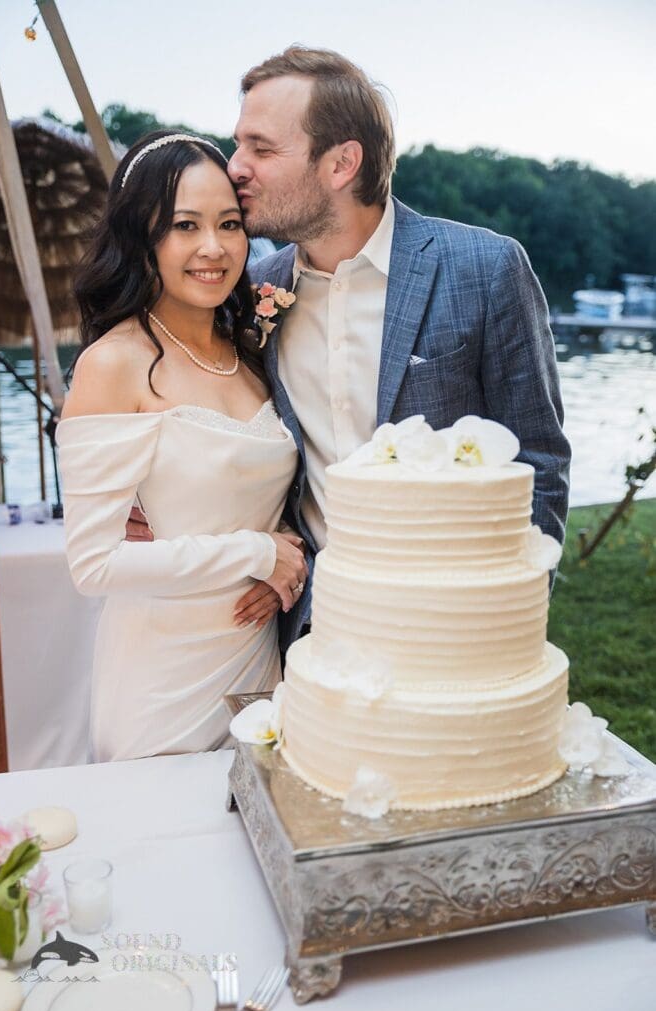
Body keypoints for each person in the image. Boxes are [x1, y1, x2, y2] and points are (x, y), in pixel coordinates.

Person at [225, 45, 572, 650]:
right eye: (239, 145)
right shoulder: (253, 290)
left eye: (261, 147)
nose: (236, 167)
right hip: (308, 629)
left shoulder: (486, 270)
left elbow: (538, 461)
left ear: (341, 164)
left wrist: (507, 611)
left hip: (452, 624)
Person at [58, 130, 306, 761]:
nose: (213, 248)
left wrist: (286, 556)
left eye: (229, 223)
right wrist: (254, 552)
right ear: (143, 236)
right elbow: (95, 565)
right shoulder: (114, 363)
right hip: (162, 678)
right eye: (184, 225)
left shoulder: (251, 352)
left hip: (255, 661)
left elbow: (265, 493)